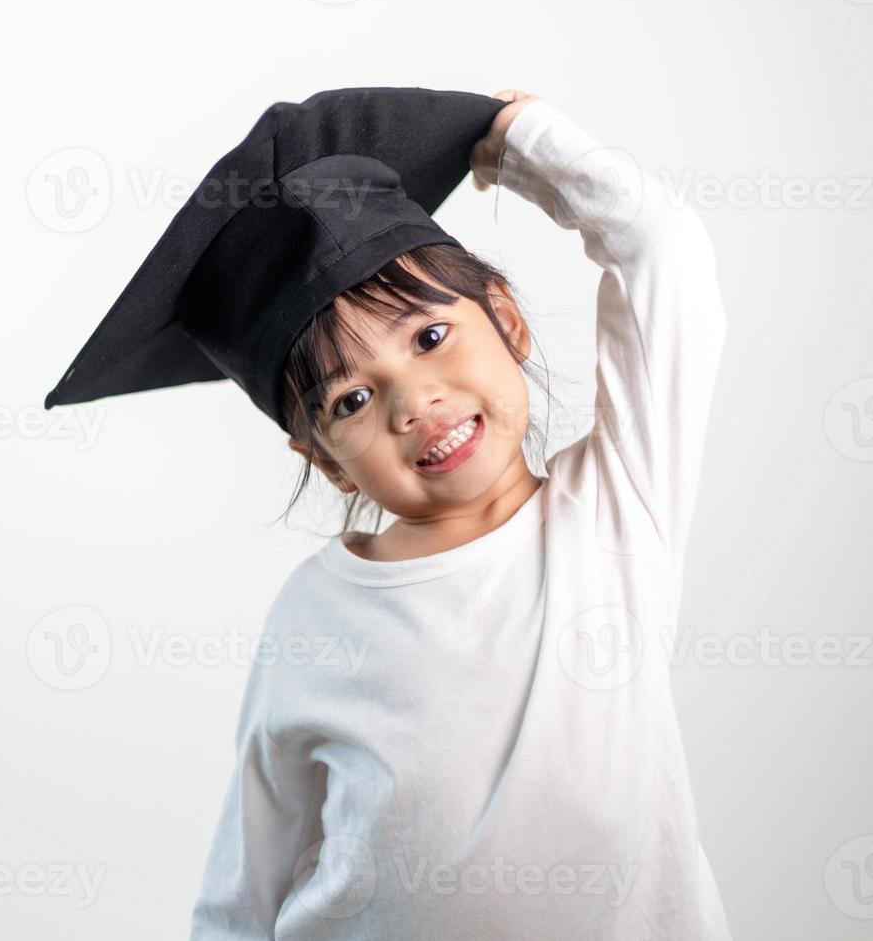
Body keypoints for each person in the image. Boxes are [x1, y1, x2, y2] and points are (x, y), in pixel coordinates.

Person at [189, 92, 732, 938]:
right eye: (354, 398)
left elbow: (660, 250)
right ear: (324, 461)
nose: (416, 402)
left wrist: (525, 145)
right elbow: (245, 889)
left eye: (430, 337)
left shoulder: (613, 515)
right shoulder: (313, 614)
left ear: (507, 319)